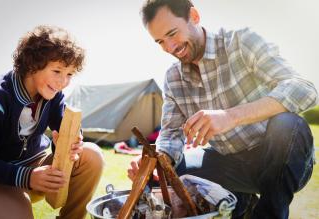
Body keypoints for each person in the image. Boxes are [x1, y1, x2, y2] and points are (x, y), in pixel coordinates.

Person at [128, 0, 318, 218]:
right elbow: (170, 135)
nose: (170, 48)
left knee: (288, 123)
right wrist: (157, 163)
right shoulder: (173, 78)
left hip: (282, 161)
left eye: (172, 33)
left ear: (194, 16)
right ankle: (241, 206)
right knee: (173, 167)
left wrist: (231, 116)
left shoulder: (241, 42)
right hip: (230, 164)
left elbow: (305, 89)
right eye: (160, 41)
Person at [0, 25, 104, 219]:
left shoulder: (54, 94)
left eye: (70, 74)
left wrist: (72, 141)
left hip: (39, 167)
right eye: (57, 71)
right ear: (32, 64)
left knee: (91, 154)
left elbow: (65, 126)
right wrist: (27, 177)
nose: (63, 82)